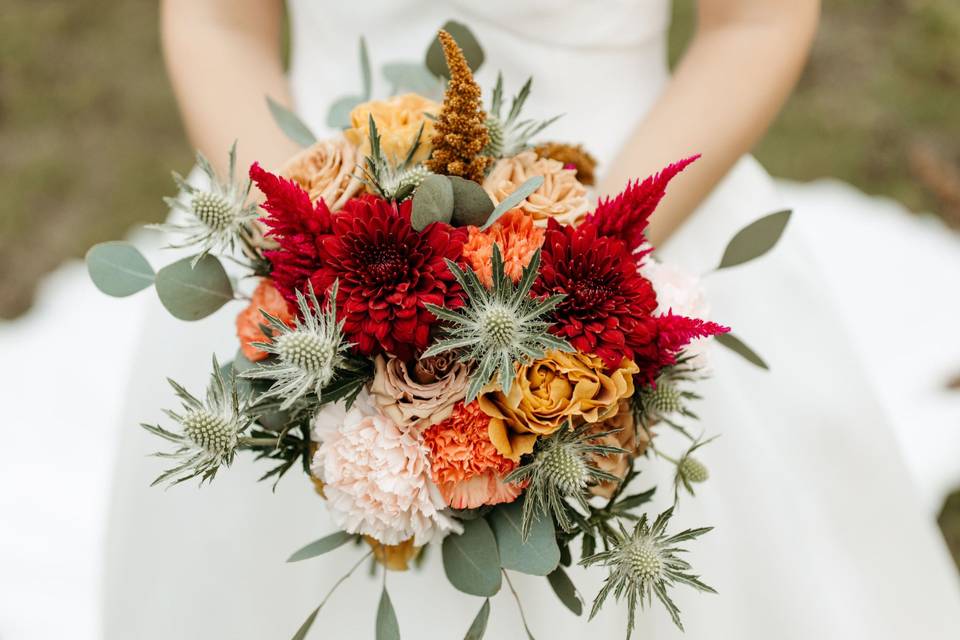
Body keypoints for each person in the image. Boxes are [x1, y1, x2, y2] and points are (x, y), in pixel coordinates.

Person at [102, 1, 960, 638]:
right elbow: (217, 24)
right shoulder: (307, 252)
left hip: (636, 205)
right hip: (310, 225)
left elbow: (754, 23)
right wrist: (310, 253)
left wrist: (587, 270)